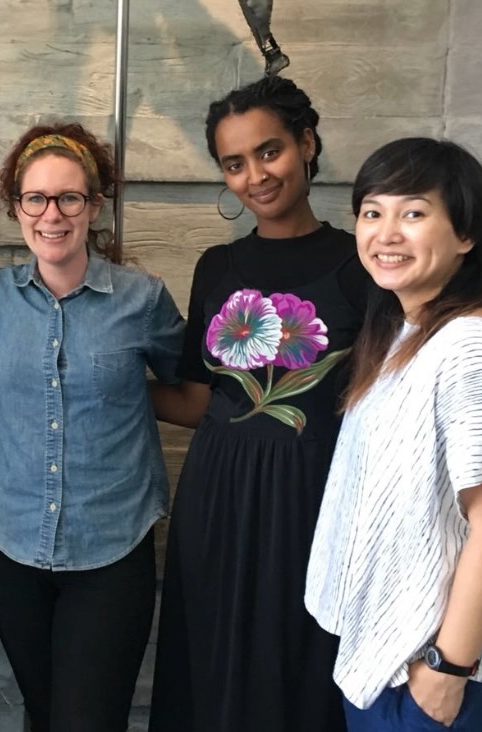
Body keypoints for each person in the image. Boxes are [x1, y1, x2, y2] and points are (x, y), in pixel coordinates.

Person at [305, 137, 482, 731]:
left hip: (437, 669)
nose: (386, 233)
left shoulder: (472, 351)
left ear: (465, 234)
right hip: (390, 655)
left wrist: (446, 670)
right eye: (373, 212)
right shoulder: (404, 332)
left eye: (413, 213)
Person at [148, 75, 371, 732]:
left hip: (312, 506)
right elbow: (197, 397)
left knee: (302, 676)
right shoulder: (216, 266)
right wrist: (107, 384)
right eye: (235, 163)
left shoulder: (362, 265)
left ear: (306, 143)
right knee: (212, 671)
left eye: (269, 151)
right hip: (216, 501)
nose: (256, 176)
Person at [0, 123, 185, 732]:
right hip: (11, 543)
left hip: (111, 550)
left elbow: (190, 386)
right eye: (36, 198)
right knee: (41, 711)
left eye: (69, 198)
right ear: (16, 207)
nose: (51, 214)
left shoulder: (142, 300)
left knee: (89, 721)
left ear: (94, 205)